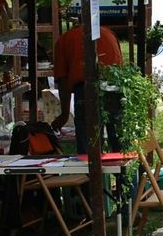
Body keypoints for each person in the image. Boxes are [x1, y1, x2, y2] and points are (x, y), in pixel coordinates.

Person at [51, 24, 123, 154]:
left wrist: (65, 114)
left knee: (88, 137)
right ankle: (123, 172)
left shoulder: (64, 40)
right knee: (117, 134)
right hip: (114, 85)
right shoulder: (108, 32)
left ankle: (92, 171)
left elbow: (63, 82)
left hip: (86, 87)